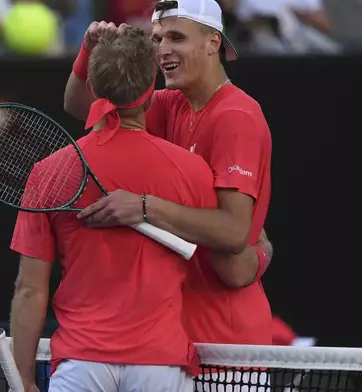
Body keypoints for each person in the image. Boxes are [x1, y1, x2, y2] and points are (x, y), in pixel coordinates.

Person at [10, 27, 221, 392]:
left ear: (93, 89)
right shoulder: (191, 170)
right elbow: (223, 257)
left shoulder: (49, 171)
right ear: (151, 92)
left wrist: (23, 380)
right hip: (160, 366)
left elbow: (29, 290)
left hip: (80, 366)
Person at [64, 0, 274, 349]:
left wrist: (144, 207)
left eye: (176, 38)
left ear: (213, 43)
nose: (163, 50)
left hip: (225, 343)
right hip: (175, 336)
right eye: (158, 39)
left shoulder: (237, 116)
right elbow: (79, 106)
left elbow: (234, 232)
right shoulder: (171, 102)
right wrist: (88, 52)